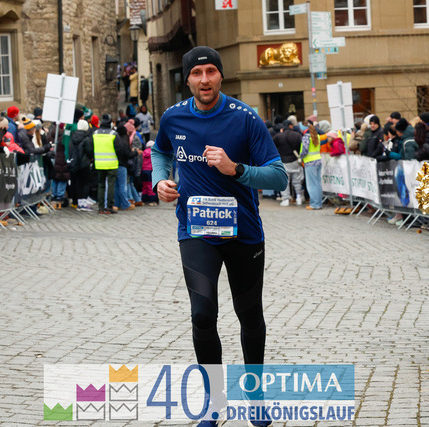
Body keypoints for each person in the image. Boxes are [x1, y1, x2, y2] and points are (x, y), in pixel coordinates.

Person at [152, 46, 287, 427]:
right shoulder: (173, 117)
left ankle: (255, 396)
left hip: (244, 234)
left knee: (249, 315)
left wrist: (236, 169)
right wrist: (160, 180)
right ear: (187, 80)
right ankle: (214, 402)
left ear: (221, 76)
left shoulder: (245, 119)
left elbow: (279, 176)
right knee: (202, 314)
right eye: (197, 74)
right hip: (196, 233)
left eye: (211, 71)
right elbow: (160, 151)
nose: (205, 79)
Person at [273, 120, 304, 206]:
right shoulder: (297, 135)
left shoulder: (278, 136)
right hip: (295, 160)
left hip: (283, 160)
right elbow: (301, 147)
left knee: (285, 181)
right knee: (297, 180)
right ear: (290, 126)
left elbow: (272, 146)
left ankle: (286, 199)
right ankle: (298, 197)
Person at [93, 114, 120, 214]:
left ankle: (101, 207)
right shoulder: (113, 134)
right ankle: (109, 207)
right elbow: (119, 148)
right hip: (112, 163)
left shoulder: (95, 133)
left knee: (101, 185)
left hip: (99, 163)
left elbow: (91, 147)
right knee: (111, 185)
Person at [301, 120, 327, 210]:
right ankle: (319, 203)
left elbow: (304, 150)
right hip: (318, 160)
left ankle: (314, 204)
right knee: (317, 183)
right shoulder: (317, 136)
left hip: (309, 162)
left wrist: (300, 157)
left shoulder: (306, 137)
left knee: (311, 184)